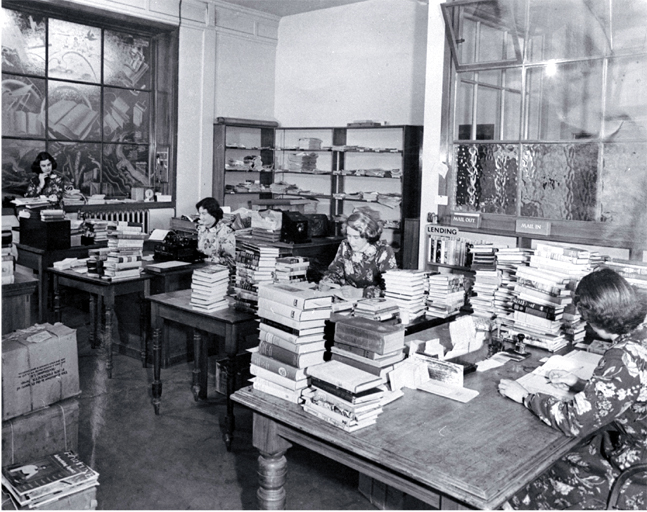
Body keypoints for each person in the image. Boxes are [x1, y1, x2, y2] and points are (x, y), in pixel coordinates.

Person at [498, 267, 647, 510]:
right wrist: (579, 385)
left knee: (528, 475)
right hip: (635, 445)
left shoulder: (622, 356)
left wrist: (526, 396)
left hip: (634, 471)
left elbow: (573, 421)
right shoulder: (641, 333)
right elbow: (630, 391)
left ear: (594, 319)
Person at [319, 209, 397, 299]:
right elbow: (335, 271)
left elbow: (390, 289)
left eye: (356, 237)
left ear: (368, 235)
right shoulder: (345, 246)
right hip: (347, 299)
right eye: (349, 236)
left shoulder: (384, 251)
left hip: (373, 304)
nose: (351, 242)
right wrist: (327, 281)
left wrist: (361, 293)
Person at [195, 197, 235, 269]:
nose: (200, 217)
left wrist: (207, 260)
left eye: (204, 214)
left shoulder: (226, 232)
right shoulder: (201, 229)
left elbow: (230, 262)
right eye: (199, 214)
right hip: (202, 269)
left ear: (213, 213)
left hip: (218, 273)